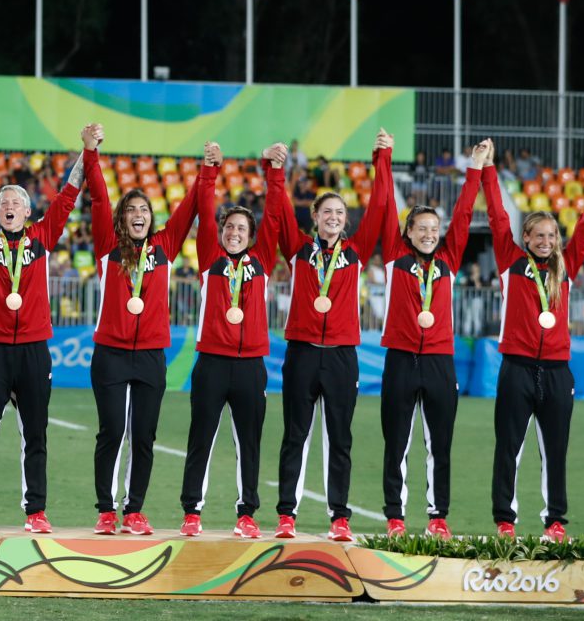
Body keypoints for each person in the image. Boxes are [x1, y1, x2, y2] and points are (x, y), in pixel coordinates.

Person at [0, 125, 92, 535]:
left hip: (32, 349)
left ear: (28, 212)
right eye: (3, 201)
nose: (9, 205)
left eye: (16, 201)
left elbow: (69, 194)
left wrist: (86, 150)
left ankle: (36, 511)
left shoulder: (43, 236)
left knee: (36, 435)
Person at [483, 141, 584, 542]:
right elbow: (496, 216)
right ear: (526, 237)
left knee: (554, 451)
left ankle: (554, 522)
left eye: (551, 234)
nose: (546, 240)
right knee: (509, 448)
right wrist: (488, 170)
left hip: (558, 371)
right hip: (517, 368)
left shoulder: (567, 265)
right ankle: (505, 521)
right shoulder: (510, 262)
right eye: (538, 234)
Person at [84, 127, 207, 536]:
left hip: (152, 354)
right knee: (112, 431)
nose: (138, 214)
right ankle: (106, 510)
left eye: (144, 210)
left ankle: (134, 510)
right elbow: (99, 197)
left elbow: (189, 210)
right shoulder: (108, 247)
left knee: (144, 436)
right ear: (122, 218)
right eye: (131, 210)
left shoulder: (165, 248)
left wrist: (206, 171)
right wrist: (91, 153)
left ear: (150, 218)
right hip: (111, 355)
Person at [270, 131, 392, 541]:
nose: (334, 217)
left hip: (341, 355)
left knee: (340, 437)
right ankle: (287, 514)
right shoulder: (298, 251)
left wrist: (383, 156)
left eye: (340, 211)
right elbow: (280, 212)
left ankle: (340, 517)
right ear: (316, 218)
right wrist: (275, 169)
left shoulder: (355, 254)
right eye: (327, 212)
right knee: (295, 435)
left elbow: (379, 205)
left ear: (346, 219)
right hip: (303, 352)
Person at [377, 137, 487, 540]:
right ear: (408, 231)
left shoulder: (449, 260)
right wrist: (384, 156)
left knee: (439, 443)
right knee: (397, 444)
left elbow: (462, 217)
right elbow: (386, 202)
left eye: (433, 229)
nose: (428, 234)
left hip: (441, 360)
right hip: (402, 359)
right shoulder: (395, 257)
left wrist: (474, 169)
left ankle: (438, 516)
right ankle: (395, 517)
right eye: (420, 228)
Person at [179, 142, 285, 539]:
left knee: (249, 443)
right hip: (212, 363)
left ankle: (247, 513)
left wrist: (273, 169)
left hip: (250, 365)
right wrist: (210, 168)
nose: (234, 232)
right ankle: (192, 512)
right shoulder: (211, 258)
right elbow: (205, 212)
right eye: (229, 228)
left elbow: (274, 215)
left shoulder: (263, 262)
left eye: (241, 228)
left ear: (251, 236)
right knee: (200, 438)